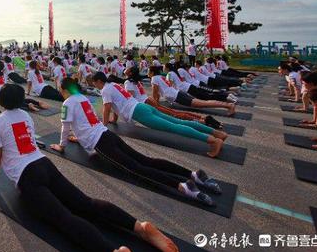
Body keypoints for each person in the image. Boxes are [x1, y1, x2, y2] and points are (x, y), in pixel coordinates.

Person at [0, 84, 179, 252]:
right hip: (45, 165)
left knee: (63, 218)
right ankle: (139, 227)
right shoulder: (25, 116)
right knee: (85, 203)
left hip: (27, 177)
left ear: (1, 101)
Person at [52, 78, 220, 206]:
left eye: (60, 88)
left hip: (101, 143)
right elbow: (85, 123)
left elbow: (65, 127)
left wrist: (62, 145)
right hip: (107, 135)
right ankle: (192, 174)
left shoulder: (67, 103)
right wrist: (79, 138)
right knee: (146, 161)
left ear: (64, 89)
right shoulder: (83, 98)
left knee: (136, 169)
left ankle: (182, 186)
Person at [92, 72, 226, 158]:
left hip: (139, 111)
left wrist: (103, 125)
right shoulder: (114, 84)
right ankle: (217, 133)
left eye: (94, 82)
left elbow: (107, 108)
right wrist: (113, 121)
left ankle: (213, 141)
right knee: (178, 122)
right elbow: (116, 106)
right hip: (143, 106)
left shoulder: (105, 90)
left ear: (98, 81)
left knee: (174, 127)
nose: (94, 85)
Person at [149, 67, 235, 116]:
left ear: (152, 72)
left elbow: (155, 94)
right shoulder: (160, 77)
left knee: (204, 104)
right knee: (203, 103)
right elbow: (158, 95)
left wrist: (155, 105)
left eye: (149, 71)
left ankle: (229, 105)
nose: (148, 73)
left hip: (177, 96)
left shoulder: (154, 79)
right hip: (178, 94)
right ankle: (228, 105)